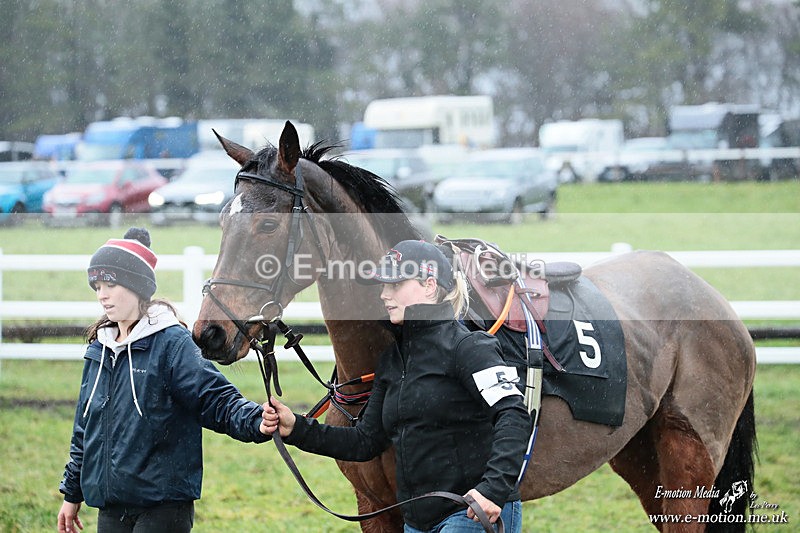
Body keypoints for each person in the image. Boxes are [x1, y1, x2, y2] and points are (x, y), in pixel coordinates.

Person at [261, 240, 532, 532]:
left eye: (395, 285)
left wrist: (493, 489)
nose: (384, 294)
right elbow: (366, 441)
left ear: (429, 285)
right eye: (383, 286)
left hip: (471, 515)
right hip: (417, 523)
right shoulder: (392, 360)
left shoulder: (470, 347)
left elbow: (513, 415)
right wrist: (296, 428)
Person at [58, 227, 269, 533]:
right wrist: (72, 492)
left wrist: (257, 420)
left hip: (163, 507)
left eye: (111, 284)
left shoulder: (172, 344)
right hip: (111, 506)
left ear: (137, 287)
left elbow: (214, 399)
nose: (102, 295)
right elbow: (85, 427)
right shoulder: (98, 350)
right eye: (97, 286)